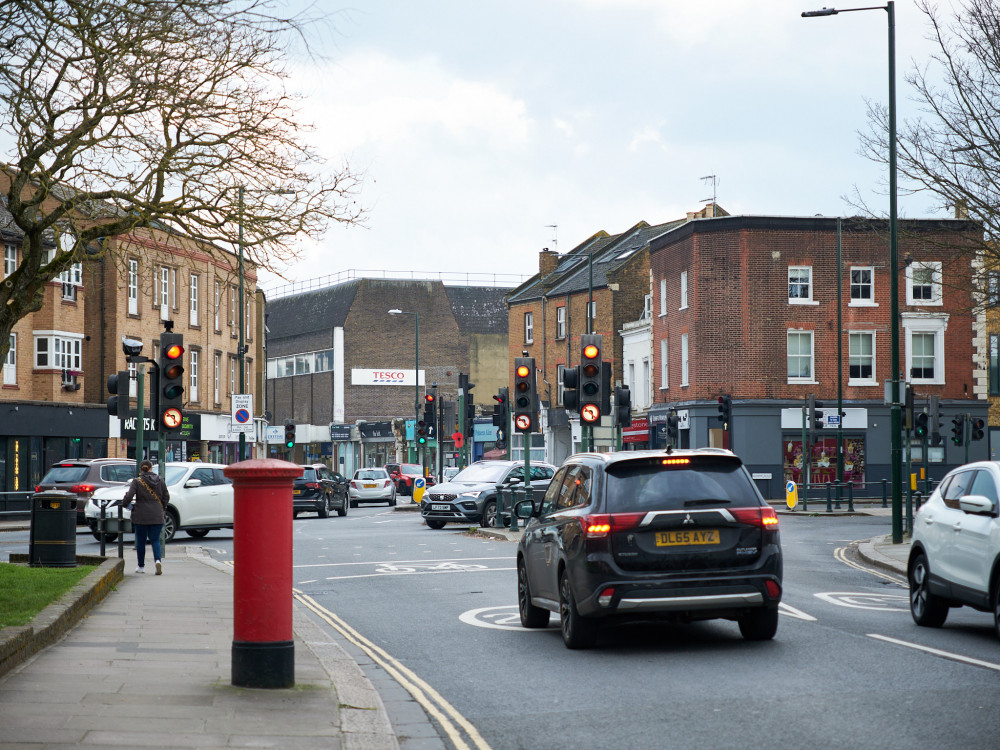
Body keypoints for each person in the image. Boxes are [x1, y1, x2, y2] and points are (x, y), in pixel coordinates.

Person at [121, 459, 169, 575]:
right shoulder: (160, 480)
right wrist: (162, 507)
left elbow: (129, 497)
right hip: (157, 515)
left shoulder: (137, 481)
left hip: (141, 515)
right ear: (151, 468)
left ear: (141, 469)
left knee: (141, 542)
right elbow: (166, 496)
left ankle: (141, 566)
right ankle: (158, 560)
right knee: (155, 540)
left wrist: (125, 503)